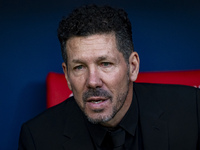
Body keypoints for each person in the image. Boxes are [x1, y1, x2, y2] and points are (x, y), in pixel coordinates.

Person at [18, 4, 200, 150]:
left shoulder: (193, 111)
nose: (92, 81)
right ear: (67, 75)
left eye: (105, 64)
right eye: (79, 67)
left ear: (133, 67)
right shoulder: (37, 139)